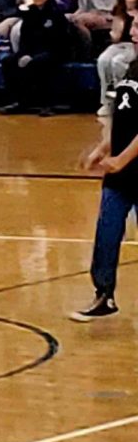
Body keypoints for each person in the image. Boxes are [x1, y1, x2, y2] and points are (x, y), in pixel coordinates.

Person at [76, 26, 138, 320]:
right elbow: (122, 116)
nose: (134, 31)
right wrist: (102, 148)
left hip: (131, 166)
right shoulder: (130, 68)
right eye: (135, 25)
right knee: (107, 233)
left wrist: (122, 159)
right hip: (120, 173)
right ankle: (104, 296)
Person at [1, 0, 72, 115]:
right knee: (8, 62)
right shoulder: (29, 13)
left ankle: (48, 104)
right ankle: (18, 101)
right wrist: (23, 54)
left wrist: (32, 57)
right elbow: (25, 38)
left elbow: (60, 43)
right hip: (32, 51)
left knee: (40, 63)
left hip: (56, 51)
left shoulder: (57, 13)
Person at [96, 0, 138, 117]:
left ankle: (122, 97)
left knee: (117, 62)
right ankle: (106, 102)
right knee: (103, 60)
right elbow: (115, 37)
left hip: (134, 45)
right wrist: (114, 33)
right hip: (119, 44)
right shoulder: (118, 10)